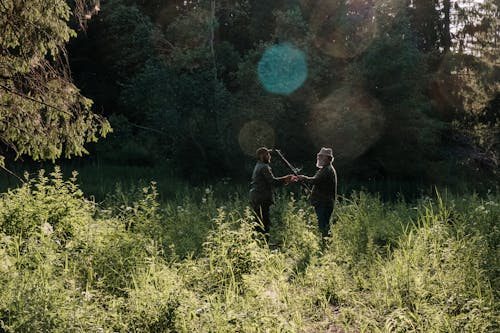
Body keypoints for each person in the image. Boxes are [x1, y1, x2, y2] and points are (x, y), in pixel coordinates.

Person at [249, 147, 294, 237]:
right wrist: (286, 179)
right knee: (264, 223)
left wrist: (286, 180)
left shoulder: (258, 165)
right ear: (262, 156)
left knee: (258, 222)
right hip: (261, 199)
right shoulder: (264, 167)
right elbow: (273, 182)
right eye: (267, 154)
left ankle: (256, 244)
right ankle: (264, 245)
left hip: (257, 197)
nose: (269, 156)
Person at [297, 147, 337, 238]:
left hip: (324, 202)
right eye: (320, 156)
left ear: (328, 159)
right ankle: (326, 243)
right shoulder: (325, 169)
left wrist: (303, 178)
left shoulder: (327, 170)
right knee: (324, 224)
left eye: (322, 156)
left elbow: (315, 180)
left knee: (323, 225)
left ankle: (326, 244)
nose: (319, 158)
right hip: (324, 202)